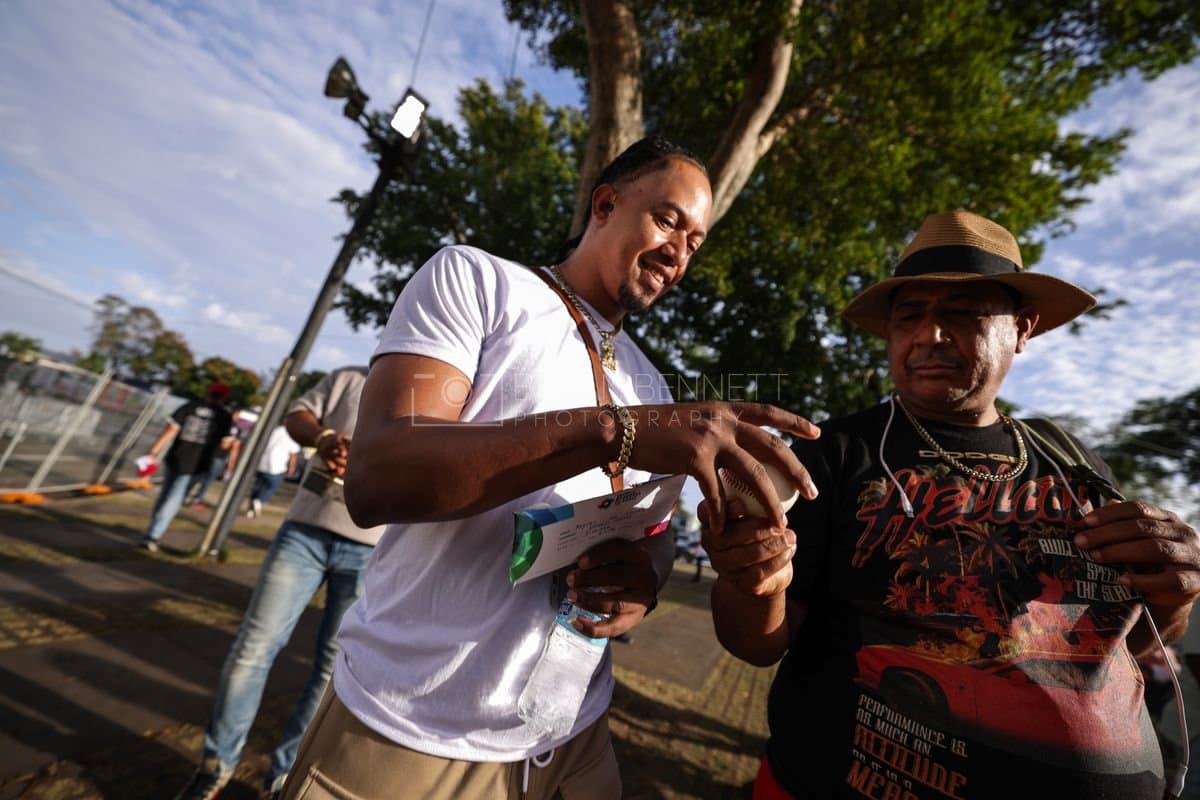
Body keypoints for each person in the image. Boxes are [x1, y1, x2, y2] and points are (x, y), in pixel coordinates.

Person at [277, 136, 819, 800]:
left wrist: (639, 584)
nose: (681, 252)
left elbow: (647, 541)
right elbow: (379, 477)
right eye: (670, 220)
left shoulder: (651, 383)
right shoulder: (478, 280)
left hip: (575, 735)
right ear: (605, 203)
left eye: (697, 241)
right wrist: (614, 432)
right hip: (415, 729)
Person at [704, 210, 1200, 799]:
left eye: (961, 315)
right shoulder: (834, 452)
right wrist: (751, 581)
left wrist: (1176, 595)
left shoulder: (1075, 461)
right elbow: (758, 642)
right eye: (909, 315)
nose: (929, 335)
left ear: (1021, 328)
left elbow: (1132, 642)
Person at [174, 366, 383, 800]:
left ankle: (286, 775)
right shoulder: (350, 378)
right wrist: (325, 438)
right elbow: (297, 415)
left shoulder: (436, 393)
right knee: (253, 648)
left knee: (332, 668)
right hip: (305, 531)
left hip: (375, 548)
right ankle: (216, 766)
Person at [140, 383, 235, 552]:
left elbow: (170, 430)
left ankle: (153, 529)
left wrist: (153, 452)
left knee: (165, 495)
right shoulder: (224, 417)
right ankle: (153, 535)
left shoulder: (190, 407)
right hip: (198, 464)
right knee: (175, 498)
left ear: (209, 392)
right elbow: (226, 443)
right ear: (224, 397)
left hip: (175, 458)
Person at [245, 424, 301, 518]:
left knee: (258, 485)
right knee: (272, 486)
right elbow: (293, 453)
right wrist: (291, 467)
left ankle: (251, 508)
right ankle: (259, 500)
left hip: (262, 463)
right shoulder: (292, 434)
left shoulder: (274, 430)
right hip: (277, 466)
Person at [185, 423, 242, 507]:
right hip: (218, 457)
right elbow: (233, 448)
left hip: (211, 455)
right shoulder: (234, 428)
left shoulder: (220, 423)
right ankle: (197, 497)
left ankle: (186, 493)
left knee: (199, 476)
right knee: (208, 479)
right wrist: (231, 465)